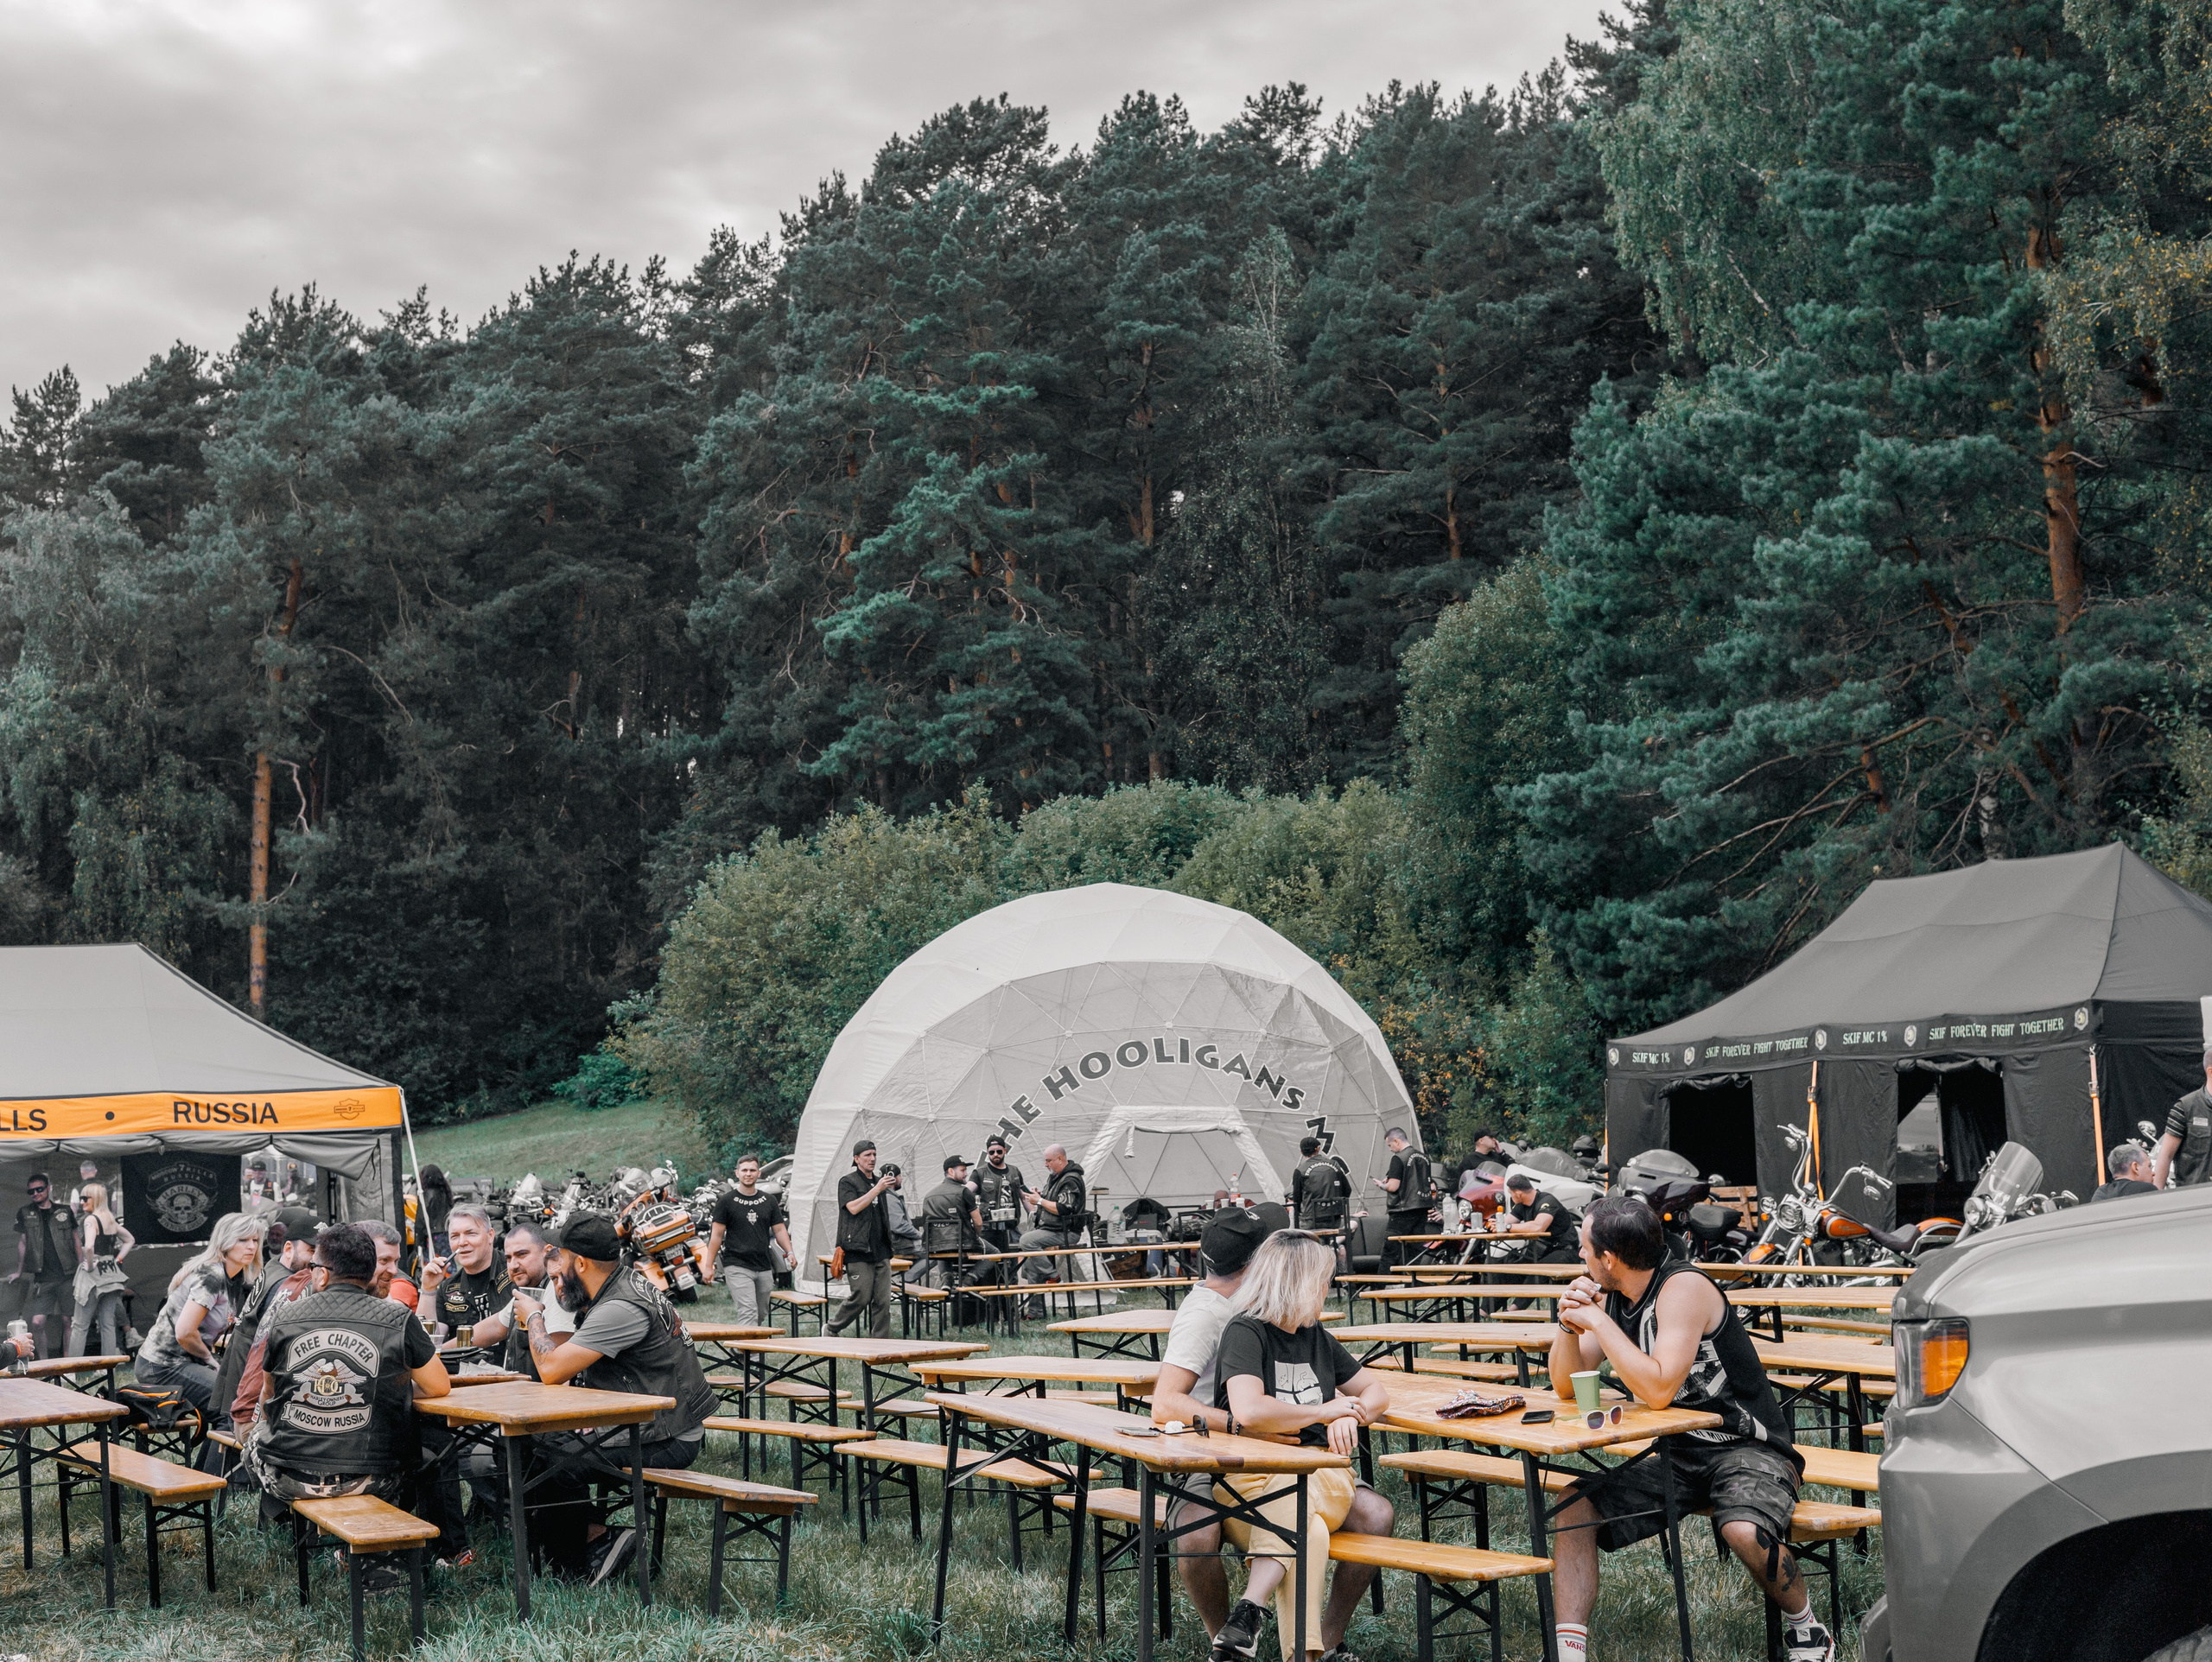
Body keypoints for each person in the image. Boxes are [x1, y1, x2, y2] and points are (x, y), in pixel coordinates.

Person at [1547, 1196, 1826, 1662]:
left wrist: (1596, 1318)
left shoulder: (1683, 1287)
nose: (1579, 1256)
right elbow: (1564, 1386)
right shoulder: (1615, 1295)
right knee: (1574, 1506)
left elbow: (1657, 1389)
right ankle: (1569, 1654)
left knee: (1741, 1530)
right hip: (1680, 1452)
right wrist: (1569, 1324)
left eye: (1584, 1248)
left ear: (1609, 1258)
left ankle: (1807, 1629)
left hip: (1750, 1448)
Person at [1208, 1230, 1394, 1662]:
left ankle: (1249, 1611)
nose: (1328, 1290)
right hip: (1248, 1483)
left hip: (1321, 1475)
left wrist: (1349, 1413)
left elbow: (1376, 1393)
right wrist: (1324, 1411)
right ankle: (1306, 1657)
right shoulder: (1246, 1331)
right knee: (1304, 1531)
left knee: (1299, 1499)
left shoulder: (1317, 1337)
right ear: (1299, 1283)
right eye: (1324, 1280)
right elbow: (1249, 1410)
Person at [507, 1212, 717, 1584]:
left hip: (669, 1436)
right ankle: (591, 1540)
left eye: (559, 1259)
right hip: (648, 1422)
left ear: (582, 1262)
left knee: (554, 1459)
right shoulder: (618, 1284)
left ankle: (581, 1561)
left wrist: (535, 1317)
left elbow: (553, 1370)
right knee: (533, 1443)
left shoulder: (620, 1308)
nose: (552, 1265)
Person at [245, 1222, 449, 1587]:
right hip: (373, 1480)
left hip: (289, 1478)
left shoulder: (285, 1317)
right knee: (423, 1455)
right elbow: (438, 1386)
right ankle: (386, 1556)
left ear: (321, 1274)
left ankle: (288, 1530)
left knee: (252, 1443)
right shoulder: (397, 1318)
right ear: (370, 1272)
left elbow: (268, 1395)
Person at [1150, 1202, 1287, 1645]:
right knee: (1195, 1532)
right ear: (1253, 1263)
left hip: (1260, 1445)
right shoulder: (1205, 1313)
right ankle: (1222, 1640)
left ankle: (1324, 1639)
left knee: (1370, 1512)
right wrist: (1242, 1425)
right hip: (1204, 1451)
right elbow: (1165, 1404)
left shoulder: (1254, 1302)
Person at [135, 1213, 265, 1411]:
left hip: (185, 1362)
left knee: (241, 1394)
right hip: (162, 1366)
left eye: (255, 1240)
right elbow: (185, 1332)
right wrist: (209, 1359)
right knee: (230, 1405)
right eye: (243, 1240)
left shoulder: (235, 1276)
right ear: (225, 1241)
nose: (251, 1246)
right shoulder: (211, 1276)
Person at [226, 1210, 323, 1438]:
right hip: (252, 1392)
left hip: (240, 1380)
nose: (318, 1260)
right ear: (288, 1249)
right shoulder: (291, 1284)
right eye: (312, 1251)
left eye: (323, 1253)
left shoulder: (273, 1267)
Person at [705, 1154, 793, 1324]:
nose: (748, 1173)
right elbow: (716, 1236)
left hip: (764, 1266)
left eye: (752, 1170)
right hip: (736, 1264)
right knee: (748, 1311)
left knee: (760, 1313)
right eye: (744, 1170)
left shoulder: (768, 1201)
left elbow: (780, 1229)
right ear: (737, 1173)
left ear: (759, 1173)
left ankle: (740, 1348)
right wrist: (709, 1266)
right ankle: (750, 1352)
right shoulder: (726, 1202)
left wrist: (789, 1252)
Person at [827, 1140, 898, 1338]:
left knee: (883, 1301)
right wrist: (877, 1189)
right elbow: (853, 1208)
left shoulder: (878, 1181)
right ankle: (832, 1328)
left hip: (881, 1248)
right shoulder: (847, 1182)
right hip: (857, 1248)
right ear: (856, 1158)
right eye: (867, 1155)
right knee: (861, 1296)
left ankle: (880, 1343)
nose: (872, 1159)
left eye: (874, 1154)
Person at [419, 1203, 512, 1345]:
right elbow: (427, 1341)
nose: (462, 1242)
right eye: (455, 1236)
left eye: (471, 1234)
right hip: (462, 1366)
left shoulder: (513, 1272)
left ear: (490, 1235)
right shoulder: (447, 1288)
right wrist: (428, 1289)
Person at [10, 1171, 79, 1359]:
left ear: (48, 1188)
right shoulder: (25, 1212)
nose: (35, 1193)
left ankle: (68, 1363)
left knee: (68, 1320)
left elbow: (75, 1240)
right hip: (42, 1277)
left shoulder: (64, 1211)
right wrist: (19, 1271)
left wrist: (82, 1267)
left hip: (68, 1274)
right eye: (31, 1191)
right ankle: (44, 1362)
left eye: (39, 1189)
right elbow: (23, 1242)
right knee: (37, 1322)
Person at [1017, 1145, 1090, 1320]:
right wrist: (1040, 1195)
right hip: (1051, 1230)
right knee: (1032, 1266)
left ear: (1060, 1159)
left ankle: (1053, 1275)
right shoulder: (1056, 1177)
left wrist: (1040, 1201)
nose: (1045, 1164)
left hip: (1066, 1231)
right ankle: (1036, 1313)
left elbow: (1064, 1208)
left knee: (1026, 1241)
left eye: (1048, 1160)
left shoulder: (1070, 1179)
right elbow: (1053, 1200)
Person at [64, 1182, 133, 1358]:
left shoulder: (90, 1220)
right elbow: (130, 1240)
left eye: (85, 1198)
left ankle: (71, 1370)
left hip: (93, 1273)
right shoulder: (109, 1219)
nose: (81, 1202)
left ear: (96, 1199)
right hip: (110, 1272)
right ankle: (107, 1368)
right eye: (81, 1198)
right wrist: (117, 1259)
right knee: (108, 1323)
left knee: (79, 1325)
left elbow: (89, 1247)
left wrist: (88, 1263)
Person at [1371, 1128, 1434, 1267]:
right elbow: (1430, 1184)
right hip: (1422, 1209)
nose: (1390, 1149)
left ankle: (1380, 1286)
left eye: (1390, 1145)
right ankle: (1413, 1285)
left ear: (1396, 1141)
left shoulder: (1398, 1158)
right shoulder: (1424, 1157)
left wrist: (1381, 1185)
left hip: (1402, 1211)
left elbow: (1393, 1186)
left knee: (1390, 1251)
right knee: (1415, 1252)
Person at [920, 1155, 987, 1284]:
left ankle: (946, 1278)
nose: (966, 1174)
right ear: (951, 1171)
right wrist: (976, 1237)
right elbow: (978, 1222)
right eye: (962, 1170)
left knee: (942, 1250)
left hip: (936, 1245)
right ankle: (969, 1279)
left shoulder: (929, 1195)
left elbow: (927, 1225)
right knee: (994, 1252)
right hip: (963, 1244)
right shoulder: (964, 1192)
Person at [2152, 1051, 2212, 1189]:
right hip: (2193, 1197)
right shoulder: (2185, 1107)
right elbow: (2165, 1156)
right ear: (2210, 1071)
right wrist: (2155, 1198)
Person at [1500, 1171, 1583, 1265]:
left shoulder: (1547, 1201)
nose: (1511, 1197)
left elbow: (1538, 1227)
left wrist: (1508, 1227)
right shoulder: (1521, 1205)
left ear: (1519, 1194)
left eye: (1511, 1194)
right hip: (1541, 1249)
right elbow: (1507, 1222)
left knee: (1535, 1277)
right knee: (1512, 1272)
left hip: (1564, 1250)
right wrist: (1496, 1224)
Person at [1289, 1139, 1351, 1237]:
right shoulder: (1334, 1164)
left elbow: (1297, 1199)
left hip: (1310, 1221)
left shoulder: (1300, 1170)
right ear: (1318, 1148)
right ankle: (1334, 1247)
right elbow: (1347, 1190)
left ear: (1301, 1152)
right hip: (1334, 1219)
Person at [358, 1220, 418, 1308]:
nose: (394, 1271)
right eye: (384, 1260)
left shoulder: (401, 1284)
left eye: (396, 1261)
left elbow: (395, 1314)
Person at [2091, 1143, 2160, 1202]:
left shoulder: (2100, 1193)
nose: (2153, 1173)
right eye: (2149, 1166)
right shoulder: (2147, 1190)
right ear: (2135, 1167)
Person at [881, 1163, 924, 1254]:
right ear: (892, 1178)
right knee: (931, 1250)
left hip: (897, 1243)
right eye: (899, 1175)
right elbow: (899, 1225)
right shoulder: (889, 1198)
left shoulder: (887, 1196)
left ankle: (907, 1269)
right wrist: (920, 1235)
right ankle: (908, 1269)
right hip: (900, 1244)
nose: (902, 1179)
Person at [418, 1164, 456, 1255]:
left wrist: (419, 1241)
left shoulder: (426, 1195)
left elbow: (420, 1219)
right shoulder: (446, 1193)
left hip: (431, 1235)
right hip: (445, 1233)